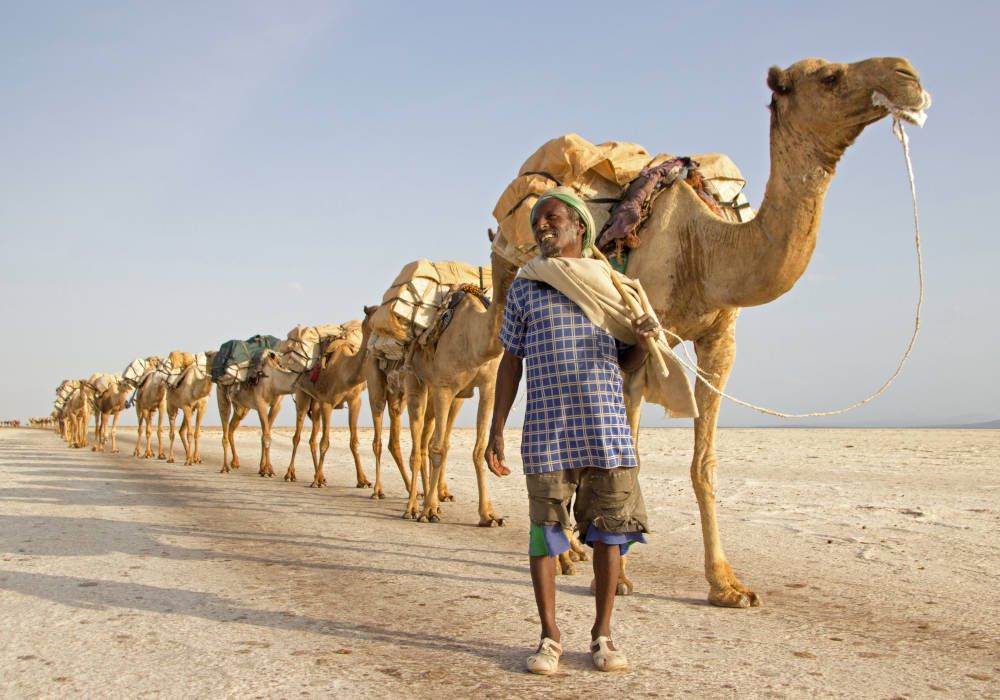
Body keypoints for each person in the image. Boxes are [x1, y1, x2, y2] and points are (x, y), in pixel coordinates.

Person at [486, 186, 659, 674]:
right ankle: (549, 636)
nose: (542, 225)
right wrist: (496, 427)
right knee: (545, 535)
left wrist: (644, 342)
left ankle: (603, 635)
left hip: (605, 424)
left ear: (579, 227)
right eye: (537, 220)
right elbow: (510, 360)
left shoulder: (611, 283)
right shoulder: (525, 286)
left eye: (552, 217)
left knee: (608, 534)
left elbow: (627, 361)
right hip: (546, 427)